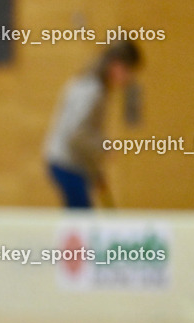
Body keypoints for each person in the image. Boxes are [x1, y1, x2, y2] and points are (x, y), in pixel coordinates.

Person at [44, 40, 142, 208]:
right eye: (129, 70)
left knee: (80, 220)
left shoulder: (93, 85)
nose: (129, 77)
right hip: (67, 163)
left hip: (72, 162)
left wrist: (95, 172)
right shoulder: (92, 90)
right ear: (116, 65)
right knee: (82, 222)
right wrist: (103, 147)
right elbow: (76, 135)